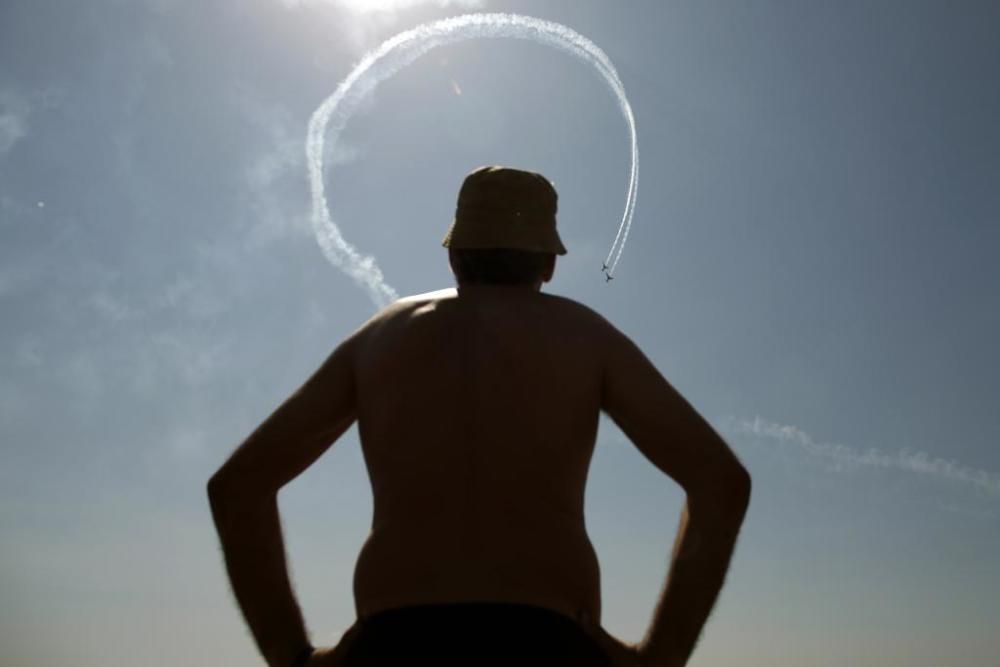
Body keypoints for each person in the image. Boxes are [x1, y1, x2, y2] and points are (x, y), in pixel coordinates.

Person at [208, 166, 751, 666]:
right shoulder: (588, 338)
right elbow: (721, 484)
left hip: (395, 643)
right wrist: (660, 659)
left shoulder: (380, 338)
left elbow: (238, 488)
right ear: (549, 262)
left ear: (454, 254)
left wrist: (294, 659)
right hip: (548, 641)